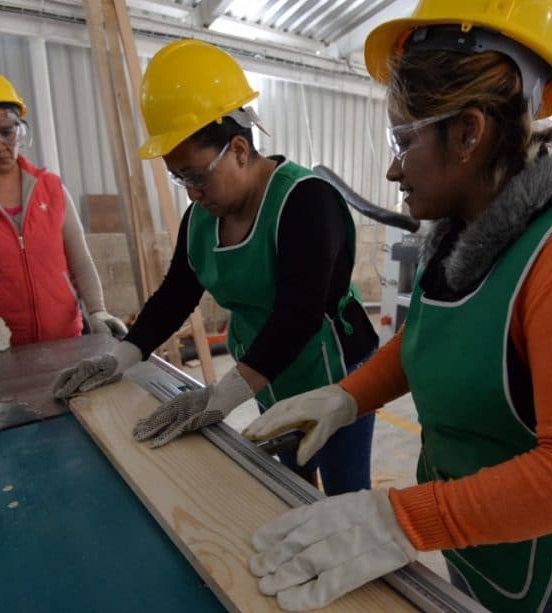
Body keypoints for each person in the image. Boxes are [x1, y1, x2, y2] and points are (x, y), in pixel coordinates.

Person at [242, 0, 552, 613]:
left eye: (402, 142)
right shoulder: (466, 230)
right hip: (482, 520)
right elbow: (429, 337)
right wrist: (347, 397)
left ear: (471, 131)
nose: (392, 171)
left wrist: (400, 518)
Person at [52, 40, 379, 496]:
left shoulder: (305, 201)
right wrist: (121, 357)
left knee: (346, 496)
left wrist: (220, 398)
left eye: (196, 175)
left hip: (333, 371)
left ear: (240, 150)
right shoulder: (203, 218)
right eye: (179, 177)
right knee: (290, 483)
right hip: (266, 372)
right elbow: (175, 295)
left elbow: (299, 313)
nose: (191, 192)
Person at [0, 65, 127, 355]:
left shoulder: (50, 187)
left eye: (7, 132)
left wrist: (98, 311)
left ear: (19, 131)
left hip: (65, 340)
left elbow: (79, 259)